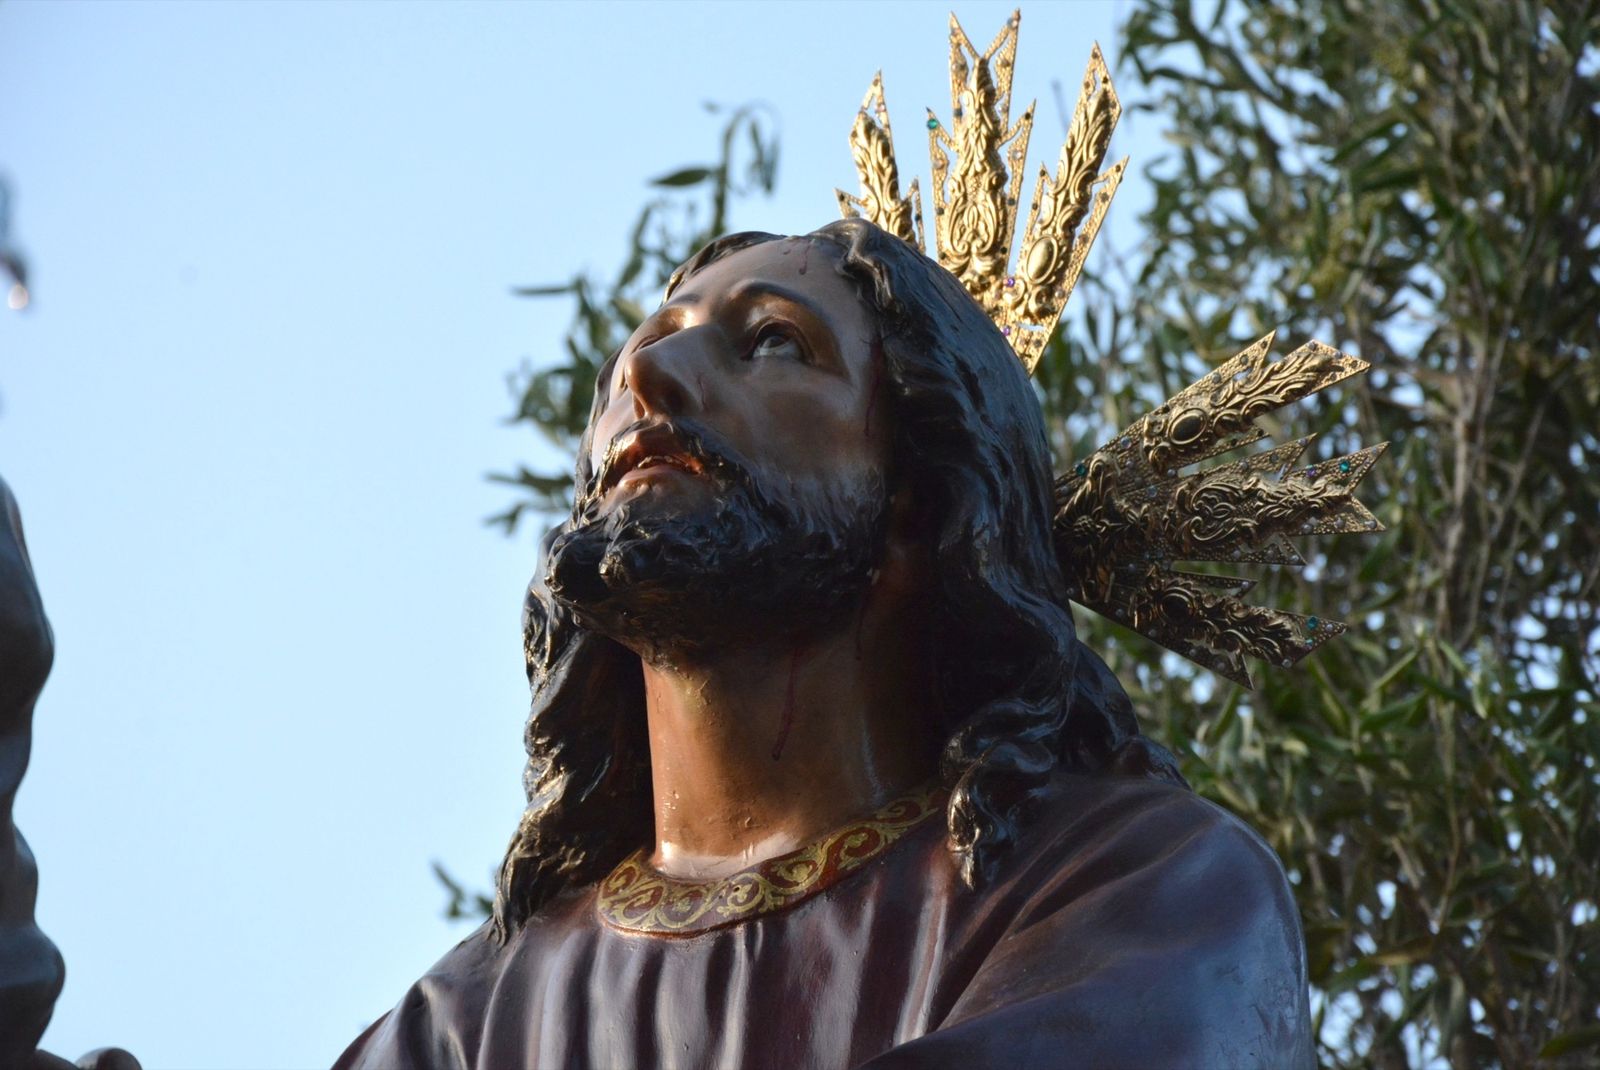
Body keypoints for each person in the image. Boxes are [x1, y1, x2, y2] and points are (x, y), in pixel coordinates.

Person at [327, 219, 1316, 1069]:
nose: (644, 375)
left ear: (919, 506)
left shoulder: (1138, 887)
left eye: (770, 342)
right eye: (645, 346)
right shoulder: (465, 1021)